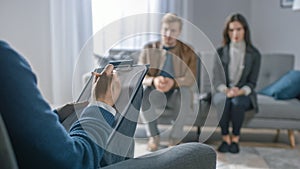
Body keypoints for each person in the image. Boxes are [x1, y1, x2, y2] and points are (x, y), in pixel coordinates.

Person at [0, 41, 216, 169]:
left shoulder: (185, 51)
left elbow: (14, 130)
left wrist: (58, 114)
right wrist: (101, 104)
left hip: (174, 91)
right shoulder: (4, 60)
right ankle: (149, 138)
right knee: (199, 152)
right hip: (78, 161)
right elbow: (75, 161)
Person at [138, 13, 197, 151]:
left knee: (186, 92)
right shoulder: (148, 48)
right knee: (143, 92)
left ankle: (175, 138)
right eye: (165, 29)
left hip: (176, 93)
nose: (168, 34)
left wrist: (173, 82)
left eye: (173, 31)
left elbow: (190, 78)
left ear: (179, 32)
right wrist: (154, 80)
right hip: (155, 93)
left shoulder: (188, 50)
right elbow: (140, 75)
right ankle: (154, 137)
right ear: (160, 29)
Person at [212, 13, 261, 153]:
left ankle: (236, 139)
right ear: (227, 32)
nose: (235, 33)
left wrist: (239, 91)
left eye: (239, 29)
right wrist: (227, 91)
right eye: (231, 30)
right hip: (223, 91)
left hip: (243, 92)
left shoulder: (254, 54)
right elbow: (217, 80)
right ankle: (225, 138)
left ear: (245, 30)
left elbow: (252, 82)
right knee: (224, 102)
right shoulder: (220, 52)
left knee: (237, 103)